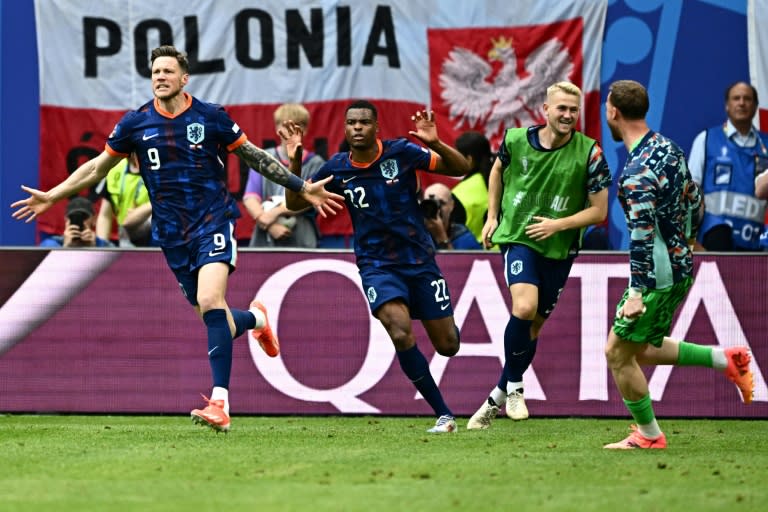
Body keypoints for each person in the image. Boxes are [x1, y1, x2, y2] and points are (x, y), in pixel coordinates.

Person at [11, 45, 342, 433]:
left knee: (209, 301)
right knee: (212, 315)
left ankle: (220, 402)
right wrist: (53, 195)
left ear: (184, 78)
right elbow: (97, 167)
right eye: (155, 71)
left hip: (213, 222)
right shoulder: (136, 124)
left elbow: (254, 156)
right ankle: (255, 319)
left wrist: (301, 185)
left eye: (168, 71)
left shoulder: (211, 117)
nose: (160, 77)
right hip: (171, 234)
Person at [286, 100, 470, 433]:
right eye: (352, 123)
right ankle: (443, 414)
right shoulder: (337, 168)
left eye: (364, 123)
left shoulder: (401, 152)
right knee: (399, 331)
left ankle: (446, 330)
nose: (357, 127)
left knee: (448, 346)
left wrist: (435, 143)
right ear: (345, 129)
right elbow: (295, 202)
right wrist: (296, 160)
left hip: (419, 260)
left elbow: (460, 168)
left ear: (376, 128)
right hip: (377, 264)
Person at [602, 79, 753, 449]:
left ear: (613, 112)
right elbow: (694, 199)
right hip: (681, 265)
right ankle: (725, 359)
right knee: (643, 348)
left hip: (655, 275)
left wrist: (636, 290)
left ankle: (649, 435)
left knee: (617, 354)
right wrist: (686, 238)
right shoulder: (668, 147)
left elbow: (639, 234)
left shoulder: (636, 170)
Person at [466, 81, 612, 430]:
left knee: (533, 327)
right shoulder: (516, 140)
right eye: (561, 108)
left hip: (559, 246)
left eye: (573, 110)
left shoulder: (590, 153)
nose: (567, 115)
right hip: (519, 236)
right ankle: (516, 387)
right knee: (524, 307)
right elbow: (498, 169)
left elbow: (599, 211)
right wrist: (492, 216)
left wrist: (558, 225)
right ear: (545, 110)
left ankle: (497, 396)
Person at [688, 81, 768, 251]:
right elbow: (691, 193)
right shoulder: (706, 139)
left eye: (747, 99)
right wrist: (691, 240)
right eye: (736, 98)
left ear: (755, 107)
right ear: (727, 106)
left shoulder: (766, 145)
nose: (741, 103)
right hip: (714, 240)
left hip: (754, 243)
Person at [243, 103, 324, 248]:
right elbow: (250, 197)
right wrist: (267, 223)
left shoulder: (316, 163)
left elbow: (311, 199)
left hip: (302, 238)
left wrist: (275, 212)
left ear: (304, 129)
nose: (290, 131)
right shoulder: (262, 158)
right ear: (276, 128)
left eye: (296, 125)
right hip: (265, 237)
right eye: (285, 125)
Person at [95, 152, 153, 247]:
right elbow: (105, 215)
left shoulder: (161, 170)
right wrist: (102, 244)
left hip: (156, 239)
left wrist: (143, 210)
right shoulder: (115, 170)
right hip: (126, 240)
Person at [452, 130, 493, 243]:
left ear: (469, 159)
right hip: (508, 255)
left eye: (456, 156)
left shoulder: (459, 193)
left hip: (472, 257)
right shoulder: (506, 180)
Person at [421, 182, 481, 250]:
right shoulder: (415, 234)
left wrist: (441, 238)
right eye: (429, 204)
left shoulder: (463, 236)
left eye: (441, 203)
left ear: (451, 205)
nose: (435, 209)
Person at [39, 196, 111, 248]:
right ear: (66, 220)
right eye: (73, 217)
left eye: (84, 217)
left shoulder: (104, 246)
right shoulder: (50, 245)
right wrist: (65, 247)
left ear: (94, 219)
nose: (81, 221)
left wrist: (95, 250)